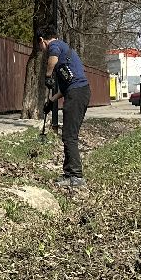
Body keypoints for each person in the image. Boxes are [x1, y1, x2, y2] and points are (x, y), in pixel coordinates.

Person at [38, 27, 90, 188]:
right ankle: (69, 173)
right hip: (77, 92)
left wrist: (47, 76)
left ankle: (76, 176)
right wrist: (50, 102)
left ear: (42, 40)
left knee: (69, 136)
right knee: (68, 135)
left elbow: (51, 58)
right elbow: (63, 89)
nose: (41, 49)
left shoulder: (55, 46)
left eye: (40, 45)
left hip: (77, 94)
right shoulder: (64, 55)